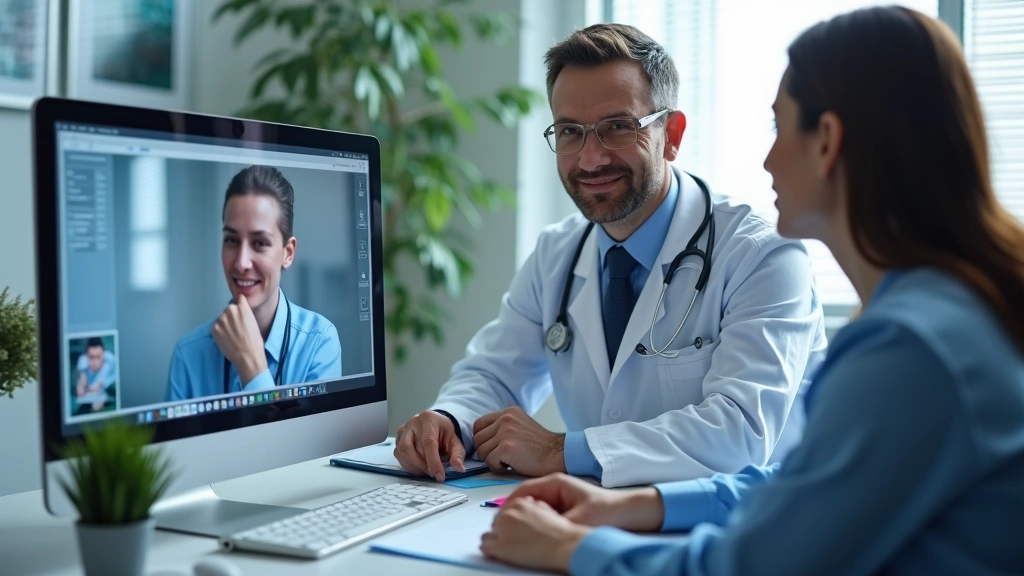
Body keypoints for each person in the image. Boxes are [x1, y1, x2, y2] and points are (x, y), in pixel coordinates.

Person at [478, 6, 1024, 575]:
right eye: (571, 131)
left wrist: (570, 548)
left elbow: (757, 564)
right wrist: (641, 505)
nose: (766, 160)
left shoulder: (910, 348)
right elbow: (807, 486)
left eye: (778, 128)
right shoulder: (946, 313)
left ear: (827, 141)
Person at [395, 23, 828, 487]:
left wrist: (561, 450)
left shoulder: (761, 255)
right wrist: (449, 419)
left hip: (740, 534)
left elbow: (739, 431)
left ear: (673, 134)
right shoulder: (556, 254)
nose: (590, 158)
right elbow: (495, 374)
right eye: (569, 131)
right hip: (601, 516)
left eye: (618, 127)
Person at [164, 165, 342, 401]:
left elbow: (309, 440)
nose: (241, 262)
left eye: (259, 243)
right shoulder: (188, 355)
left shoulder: (319, 343)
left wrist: (252, 366)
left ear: (288, 253)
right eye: (231, 240)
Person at [75, 337, 116, 411]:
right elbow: (81, 382)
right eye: (91, 357)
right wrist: (81, 386)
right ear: (86, 356)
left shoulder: (109, 359)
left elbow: (97, 386)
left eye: (98, 357)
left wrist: (87, 389)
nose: (95, 362)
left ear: (103, 355)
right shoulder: (82, 360)